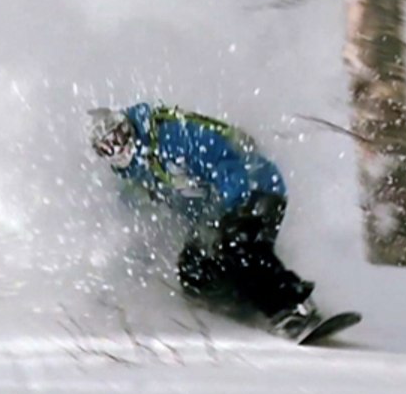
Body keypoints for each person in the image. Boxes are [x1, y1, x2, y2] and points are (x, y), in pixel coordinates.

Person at [88, 102, 315, 333]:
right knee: (194, 272)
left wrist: (235, 207)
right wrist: (115, 284)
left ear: (127, 128)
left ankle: (293, 306)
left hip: (255, 188)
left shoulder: (171, 135)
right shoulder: (135, 179)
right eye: (106, 149)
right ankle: (248, 308)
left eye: (117, 139)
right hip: (214, 215)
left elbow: (223, 159)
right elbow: (142, 232)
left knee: (237, 243)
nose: (117, 150)